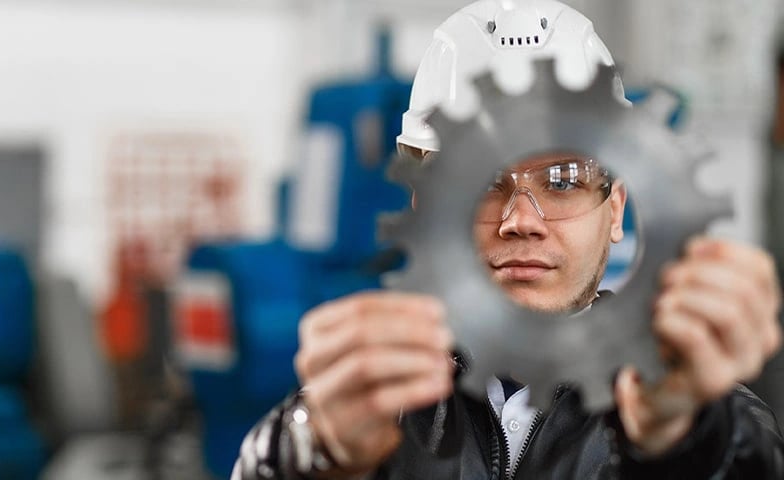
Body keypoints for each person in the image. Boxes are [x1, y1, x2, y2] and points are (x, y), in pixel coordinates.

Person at [232, 1, 784, 478]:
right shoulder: (367, 409)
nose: (521, 219)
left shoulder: (696, 413)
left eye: (563, 180)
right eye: (480, 179)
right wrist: (311, 447)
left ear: (615, 208)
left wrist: (683, 443)